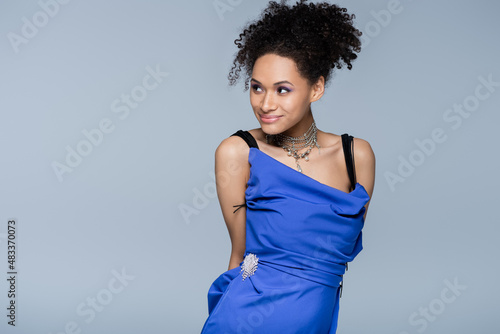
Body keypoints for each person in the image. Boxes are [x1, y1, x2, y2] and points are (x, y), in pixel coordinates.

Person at [201, 0, 375, 333]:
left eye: (283, 90)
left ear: (317, 88)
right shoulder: (238, 153)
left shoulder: (356, 157)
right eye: (256, 88)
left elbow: (329, 260)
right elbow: (240, 254)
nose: (265, 104)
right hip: (245, 318)